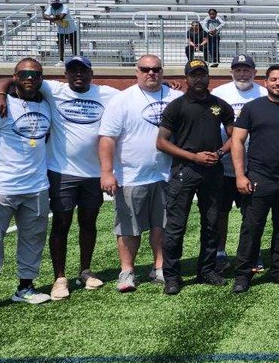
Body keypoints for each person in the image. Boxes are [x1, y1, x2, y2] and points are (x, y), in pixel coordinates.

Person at [0, 54, 117, 300]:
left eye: (83, 70)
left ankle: (85, 270)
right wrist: (0, 94)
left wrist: (168, 86)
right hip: (61, 170)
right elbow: (8, 79)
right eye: (73, 70)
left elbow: (133, 96)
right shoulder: (54, 89)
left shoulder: (106, 93)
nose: (78, 74)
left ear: (92, 73)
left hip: (92, 173)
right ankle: (60, 277)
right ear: (66, 74)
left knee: (88, 223)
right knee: (61, 224)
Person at [0, 58, 55, 318]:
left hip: (37, 186)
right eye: (24, 73)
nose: (30, 77)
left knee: (33, 239)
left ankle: (25, 287)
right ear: (15, 76)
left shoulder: (47, 102)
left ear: (41, 78)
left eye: (35, 74)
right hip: (1, 187)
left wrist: (1, 89)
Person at [99, 54, 183, 292]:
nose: (151, 73)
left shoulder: (175, 98)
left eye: (156, 69)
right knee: (129, 227)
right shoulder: (122, 100)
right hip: (131, 175)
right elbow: (107, 138)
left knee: (162, 225)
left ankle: (160, 267)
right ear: (136, 72)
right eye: (145, 69)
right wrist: (107, 172)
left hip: (166, 174)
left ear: (162, 72)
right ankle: (127, 271)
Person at [156, 59, 235, 294]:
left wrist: (220, 152)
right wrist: (193, 157)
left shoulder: (220, 105)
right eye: (194, 75)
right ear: (186, 78)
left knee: (211, 224)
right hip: (184, 171)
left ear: (208, 77)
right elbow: (161, 142)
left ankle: (207, 270)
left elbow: (236, 136)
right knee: (176, 226)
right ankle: (172, 276)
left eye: (202, 75)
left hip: (213, 171)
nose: (198, 79)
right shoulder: (177, 106)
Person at [230, 63, 279, 292]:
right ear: (266, 82)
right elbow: (237, 141)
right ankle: (243, 274)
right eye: (273, 79)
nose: (278, 83)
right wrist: (240, 175)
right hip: (258, 178)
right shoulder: (252, 108)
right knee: (251, 228)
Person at [211, 54, 268, 271]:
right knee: (220, 212)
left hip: (254, 166)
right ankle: (220, 252)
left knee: (253, 213)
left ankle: (252, 252)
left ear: (254, 72)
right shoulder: (219, 93)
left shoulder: (263, 93)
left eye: (246, 70)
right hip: (224, 166)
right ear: (231, 72)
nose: (242, 74)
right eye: (238, 70)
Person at [42, 0, 79, 64]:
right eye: (53, 4)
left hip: (71, 29)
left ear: (60, 4)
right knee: (60, 45)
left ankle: (75, 59)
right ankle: (61, 60)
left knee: (73, 45)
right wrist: (53, 18)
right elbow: (45, 16)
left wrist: (51, 19)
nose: (55, 6)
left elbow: (62, 16)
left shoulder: (65, 7)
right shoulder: (51, 8)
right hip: (61, 30)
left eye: (57, 4)